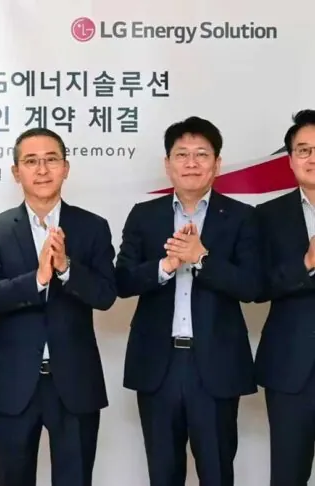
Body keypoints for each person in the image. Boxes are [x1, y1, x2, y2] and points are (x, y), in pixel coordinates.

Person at [115, 116, 261, 486]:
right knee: (163, 474)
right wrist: (165, 266)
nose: (191, 163)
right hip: (158, 365)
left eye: (201, 154)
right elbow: (122, 281)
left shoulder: (242, 217)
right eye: (182, 155)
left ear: (217, 163)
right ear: (168, 164)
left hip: (215, 366)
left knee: (217, 472)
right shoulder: (144, 215)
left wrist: (201, 258)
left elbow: (253, 286)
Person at [0, 127, 116, 486]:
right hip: (14, 383)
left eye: (51, 160)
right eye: (31, 161)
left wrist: (66, 269)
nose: (42, 170)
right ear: (15, 171)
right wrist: (37, 279)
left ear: (66, 168)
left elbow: (106, 295)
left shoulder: (93, 227)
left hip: (76, 383)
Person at [255, 109, 315, 486]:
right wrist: (306, 264)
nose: (312, 158)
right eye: (304, 150)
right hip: (292, 369)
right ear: (290, 160)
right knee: (288, 476)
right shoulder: (268, 216)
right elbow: (256, 286)